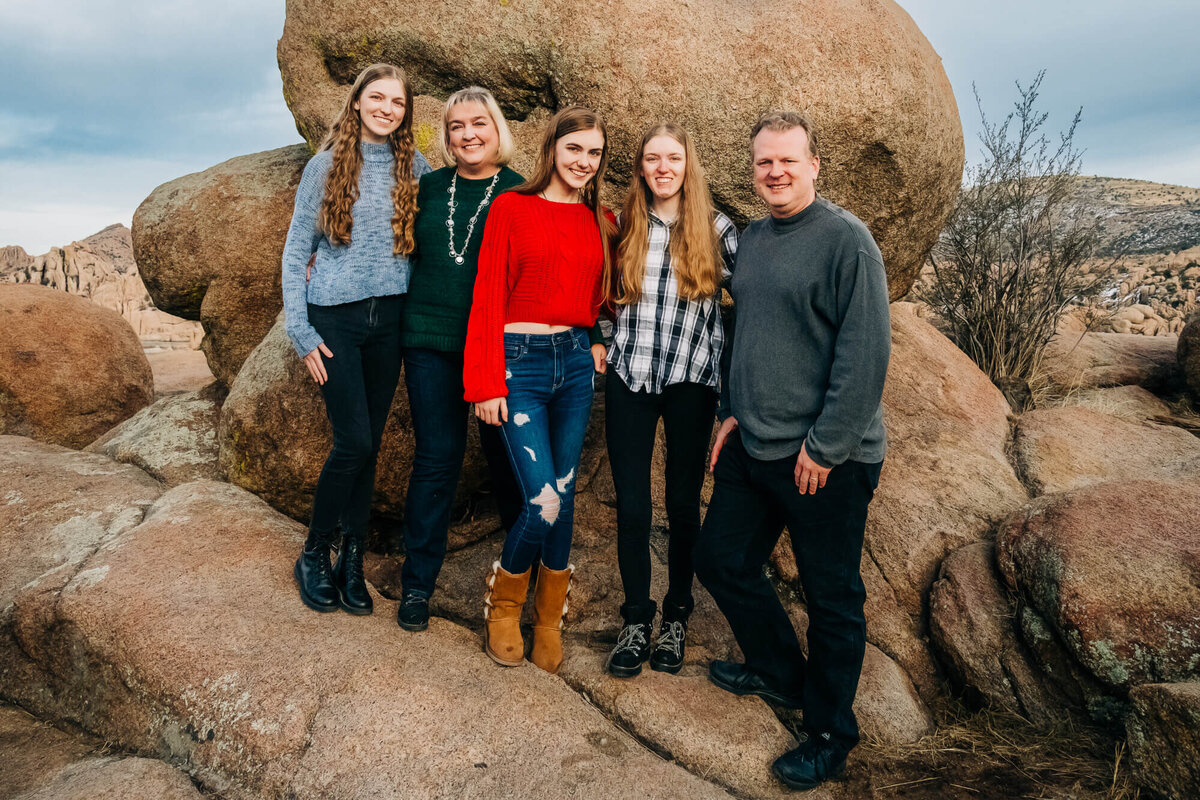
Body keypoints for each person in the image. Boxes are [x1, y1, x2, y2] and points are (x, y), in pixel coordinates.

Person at [693, 111, 890, 791]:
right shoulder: (753, 239)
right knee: (720, 559)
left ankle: (831, 730)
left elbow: (865, 355)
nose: (774, 172)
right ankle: (780, 672)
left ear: (814, 165)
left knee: (831, 596)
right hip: (754, 443)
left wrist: (828, 445)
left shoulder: (846, 241)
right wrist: (727, 413)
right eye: (763, 163)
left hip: (823, 458)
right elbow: (744, 336)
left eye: (787, 160)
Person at [463, 105, 616, 674]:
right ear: (552, 148)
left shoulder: (602, 220)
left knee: (564, 495)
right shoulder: (511, 208)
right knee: (541, 499)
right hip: (518, 365)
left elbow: (606, 292)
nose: (583, 161)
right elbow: (486, 296)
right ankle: (503, 607)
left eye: (594, 153)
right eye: (574, 148)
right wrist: (484, 380)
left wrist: (598, 335)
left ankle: (548, 618)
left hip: (575, 366)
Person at [282, 63, 432, 616]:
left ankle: (352, 564)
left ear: (405, 112)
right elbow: (297, 248)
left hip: (389, 322)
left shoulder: (415, 166)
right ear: (358, 102)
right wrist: (300, 330)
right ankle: (314, 554)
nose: (387, 108)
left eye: (397, 101)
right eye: (377, 97)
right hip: (336, 320)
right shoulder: (325, 166)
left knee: (366, 446)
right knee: (355, 443)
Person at [603, 122, 737, 678]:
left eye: (673, 158)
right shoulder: (621, 223)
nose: (663, 168)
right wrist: (597, 338)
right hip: (629, 374)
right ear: (640, 167)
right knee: (633, 505)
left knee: (683, 503)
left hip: (691, 379)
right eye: (653, 159)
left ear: (688, 166)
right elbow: (593, 289)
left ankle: (676, 618)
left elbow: (757, 297)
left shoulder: (717, 228)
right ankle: (636, 619)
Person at [396, 87, 525, 632]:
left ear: (497, 129)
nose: (468, 135)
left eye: (479, 123)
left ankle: (522, 586)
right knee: (437, 458)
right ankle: (417, 586)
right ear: (446, 137)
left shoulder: (521, 193)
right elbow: (389, 243)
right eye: (456, 127)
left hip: (495, 346)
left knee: (510, 464)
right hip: (427, 340)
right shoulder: (428, 187)